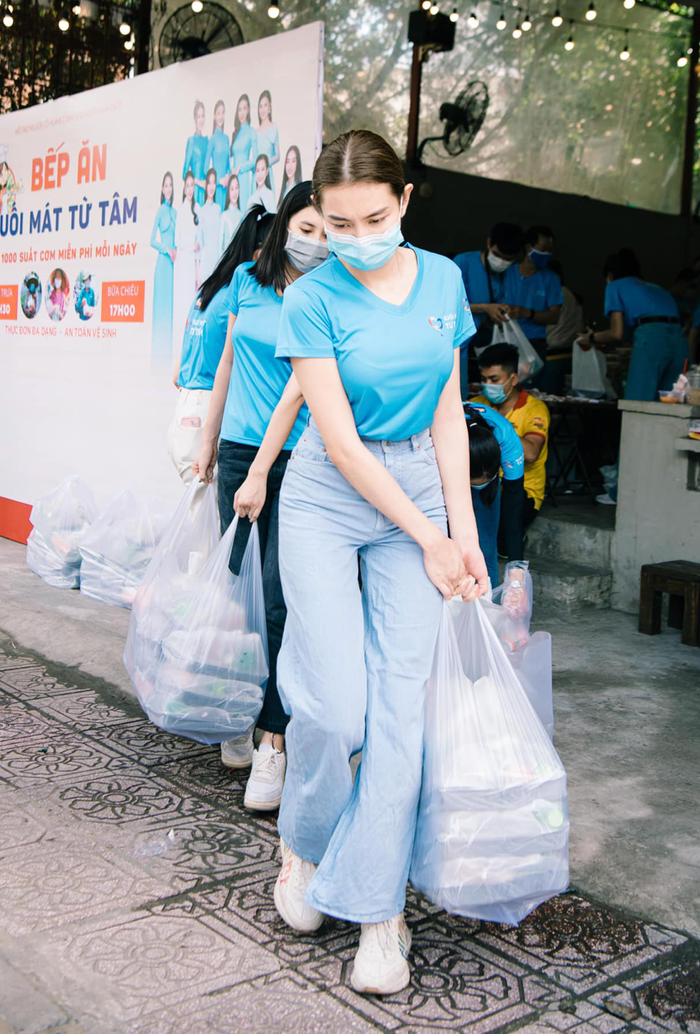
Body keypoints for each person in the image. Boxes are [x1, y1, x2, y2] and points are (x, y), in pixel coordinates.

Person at [270, 129, 487, 995]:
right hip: (330, 492)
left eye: (374, 217)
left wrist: (459, 532)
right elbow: (344, 449)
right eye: (337, 223)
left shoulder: (442, 279)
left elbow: (446, 411)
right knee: (335, 708)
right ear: (317, 219)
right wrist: (430, 535)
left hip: (421, 492)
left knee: (402, 711)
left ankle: (378, 909)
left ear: (403, 201)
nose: (358, 237)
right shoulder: (311, 299)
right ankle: (305, 844)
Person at [193, 184, 327, 812]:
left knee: (278, 601)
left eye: (329, 232)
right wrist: (208, 439)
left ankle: (272, 742)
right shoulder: (247, 279)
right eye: (308, 227)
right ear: (283, 227)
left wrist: (261, 470)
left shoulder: (329, 293)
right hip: (240, 455)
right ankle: (241, 710)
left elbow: (304, 388)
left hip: (301, 462)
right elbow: (225, 363)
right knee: (239, 592)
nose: (318, 242)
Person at [168, 206, 273, 486]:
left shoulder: (209, 290)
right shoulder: (238, 300)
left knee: (199, 518)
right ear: (258, 253)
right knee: (211, 524)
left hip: (184, 412)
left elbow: (176, 372)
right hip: (206, 414)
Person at [576, 248, 686, 401]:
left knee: (637, 402)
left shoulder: (615, 286)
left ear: (609, 275)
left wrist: (592, 338)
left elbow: (616, 333)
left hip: (651, 339)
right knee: (670, 402)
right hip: (679, 342)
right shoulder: (657, 289)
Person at [472, 343, 550, 535]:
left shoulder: (534, 409)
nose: (488, 385)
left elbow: (531, 453)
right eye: (484, 379)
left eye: (494, 379)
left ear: (513, 379)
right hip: (480, 483)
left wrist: (496, 422)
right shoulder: (476, 404)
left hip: (522, 489)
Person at [453, 223, 526, 400]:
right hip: (455, 347)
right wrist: (485, 307)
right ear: (488, 243)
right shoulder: (464, 262)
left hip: (480, 346)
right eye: (499, 256)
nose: (502, 262)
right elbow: (447, 304)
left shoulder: (508, 274)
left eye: (508, 259)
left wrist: (497, 313)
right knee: (456, 397)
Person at [464, 402, 524, 591]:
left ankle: (484, 599)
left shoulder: (507, 441)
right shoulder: (438, 436)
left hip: (482, 468)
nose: (479, 484)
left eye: (486, 479)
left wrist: (517, 573)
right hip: (447, 465)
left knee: (486, 543)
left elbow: (514, 510)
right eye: (474, 482)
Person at [504, 225, 563, 387]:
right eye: (543, 249)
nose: (547, 254)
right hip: (506, 341)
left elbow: (554, 316)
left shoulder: (550, 279)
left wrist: (527, 313)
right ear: (529, 248)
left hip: (534, 345)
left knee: (529, 392)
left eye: (549, 250)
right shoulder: (507, 273)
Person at [543, 260, 584, 396]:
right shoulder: (571, 295)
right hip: (571, 353)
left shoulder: (554, 294)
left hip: (552, 354)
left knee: (548, 398)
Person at [173, 171, 202, 356]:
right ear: (184, 187)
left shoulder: (197, 208)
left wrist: (199, 271)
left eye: (193, 185)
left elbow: (200, 241)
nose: (190, 189)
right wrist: (190, 246)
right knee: (182, 302)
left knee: (192, 303)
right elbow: (177, 240)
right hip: (183, 260)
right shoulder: (180, 210)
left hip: (193, 263)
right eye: (188, 185)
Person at [150, 171, 177, 367]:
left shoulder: (176, 213)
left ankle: (167, 358)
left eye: (170, 185)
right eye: (165, 185)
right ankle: (157, 359)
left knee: (170, 311)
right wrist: (166, 249)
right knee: (160, 311)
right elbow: (152, 239)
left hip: (174, 266)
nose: (168, 189)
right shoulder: (161, 211)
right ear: (162, 188)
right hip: (163, 264)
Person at [231, 93, 258, 213]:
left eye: (244, 108)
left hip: (244, 177)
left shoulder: (251, 132)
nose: (241, 112)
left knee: (243, 211)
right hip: (233, 177)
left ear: (248, 110)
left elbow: (256, 159)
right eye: (239, 109)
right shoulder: (235, 133)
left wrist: (241, 168)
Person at [205, 100, 230, 211]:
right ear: (214, 116)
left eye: (222, 113)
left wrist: (228, 177)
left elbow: (228, 165)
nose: (221, 116)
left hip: (226, 187)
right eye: (218, 113)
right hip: (217, 187)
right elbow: (205, 169)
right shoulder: (212, 139)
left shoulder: (226, 138)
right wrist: (218, 180)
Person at [182, 101, 208, 206]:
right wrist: (197, 182)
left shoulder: (207, 141)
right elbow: (184, 173)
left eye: (202, 116)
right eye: (198, 116)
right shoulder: (191, 141)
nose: (200, 120)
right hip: (195, 189)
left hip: (205, 190)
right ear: (194, 119)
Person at [199, 169, 222, 282]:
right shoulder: (202, 211)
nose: (212, 186)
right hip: (205, 261)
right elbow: (200, 242)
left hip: (217, 260)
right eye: (209, 183)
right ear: (206, 185)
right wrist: (198, 272)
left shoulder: (218, 209)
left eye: (214, 183)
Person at [256, 90, 280, 194]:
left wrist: (265, 165)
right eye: (260, 106)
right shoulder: (255, 132)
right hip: (256, 176)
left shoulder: (273, 128)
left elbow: (277, 155)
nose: (262, 109)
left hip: (267, 174)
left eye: (265, 105)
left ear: (270, 107)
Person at [219, 175, 243, 256]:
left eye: (237, 188)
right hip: (227, 262)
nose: (235, 192)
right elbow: (220, 246)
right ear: (228, 191)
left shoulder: (242, 216)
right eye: (232, 189)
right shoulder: (224, 216)